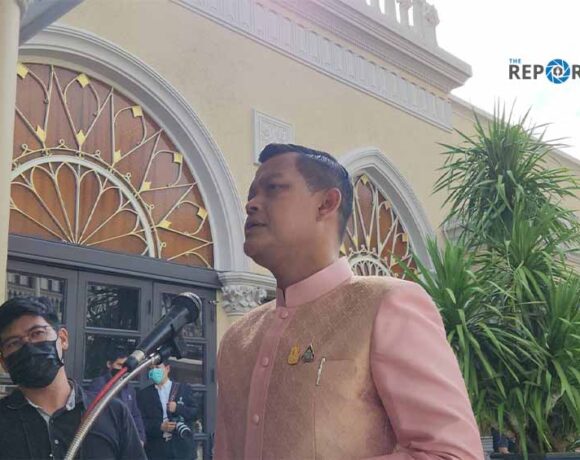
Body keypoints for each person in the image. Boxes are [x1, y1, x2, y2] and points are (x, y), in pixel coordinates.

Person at [214, 143, 485, 459]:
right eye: (251, 195)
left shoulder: (386, 305)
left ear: (326, 204)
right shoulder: (238, 338)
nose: (251, 204)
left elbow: (452, 454)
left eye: (273, 188)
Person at [0, 296, 146, 460]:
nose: (28, 346)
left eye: (37, 333)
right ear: (4, 362)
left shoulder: (112, 412)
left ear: (62, 339)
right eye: (13, 343)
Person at [137, 362, 197, 460]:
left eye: (157, 367)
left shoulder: (183, 389)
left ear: (167, 368)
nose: (154, 371)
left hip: (182, 451)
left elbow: (195, 413)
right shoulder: (143, 395)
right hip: (156, 451)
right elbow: (140, 422)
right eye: (151, 368)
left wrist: (178, 408)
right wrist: (159, 426)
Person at [88, 345, 146, 443]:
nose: (122, 369)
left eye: (125, 366)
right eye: (119, 365)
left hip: (126, 438)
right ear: (109, 364)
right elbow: (94, 414)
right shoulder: (99, 385)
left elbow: (135, 414)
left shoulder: (129, 388)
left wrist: (141, 437)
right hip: (107, 439)